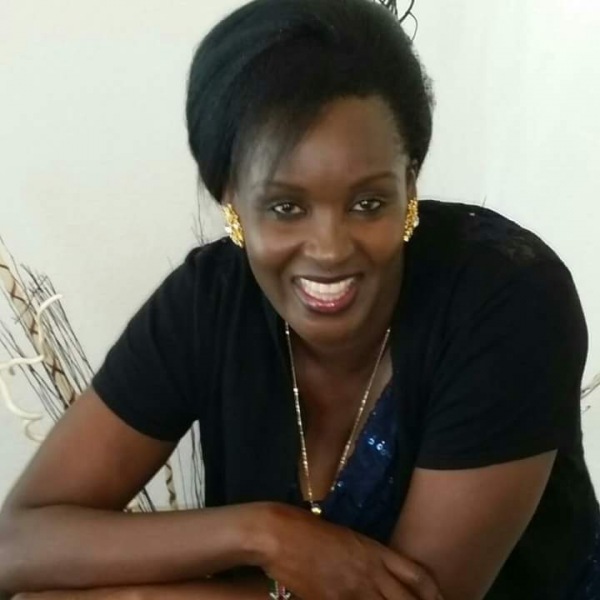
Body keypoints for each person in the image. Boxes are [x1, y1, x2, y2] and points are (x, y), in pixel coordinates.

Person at [0, 0, 598, 598]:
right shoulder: (210, 303)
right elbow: (17, 543)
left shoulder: (507, 302)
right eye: (286, 207)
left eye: (368, 203)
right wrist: (263, 533)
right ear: (231, 197)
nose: (330, 249)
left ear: (410, 183)